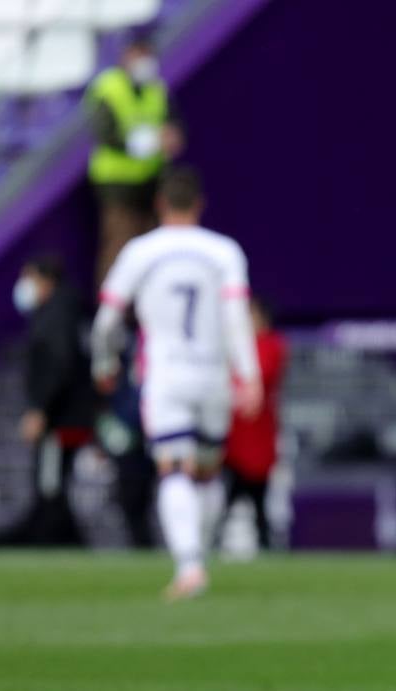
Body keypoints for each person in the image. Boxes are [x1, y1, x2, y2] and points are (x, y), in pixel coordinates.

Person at [91, 166, 261, 600]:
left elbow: (108, 318)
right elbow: (236, 317)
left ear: (160, 204)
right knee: (205, 471)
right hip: (213, 373)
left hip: (166, 373)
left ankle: (189, 565)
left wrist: (104, 362)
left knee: (172, 466)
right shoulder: (223, 251)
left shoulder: (140, 251)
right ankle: (198, 555)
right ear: (199, 204)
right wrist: (250, 375)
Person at [0, 255, 94, 546]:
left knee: (51, 482)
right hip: (64, 415)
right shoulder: (63, 310)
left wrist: (40, 409)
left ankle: (59, 538)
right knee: (51, 480)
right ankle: (57, 535)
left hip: (61, 418)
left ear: (45, 280)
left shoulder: (58, 313)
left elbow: (57, 365)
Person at [84, 33, 184, 284]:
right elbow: (105, 132)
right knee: (120, 245)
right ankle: (111, 313)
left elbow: (173, 124)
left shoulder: (157, 89)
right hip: (116, 184)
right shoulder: (108, 87)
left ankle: (144, 309)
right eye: (139, 55)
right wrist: (147, 143)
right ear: (126, 56)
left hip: (153, 181)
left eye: (147, 55)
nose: (144, 62)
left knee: (153, 248)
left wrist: (173, 137)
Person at [222, 295, 287, 550]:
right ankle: (211, 547)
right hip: (231, 439)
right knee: (225, 501)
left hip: (258, 439)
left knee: (259, 501)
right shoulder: (231, 346)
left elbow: (262, 379)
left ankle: (266, 547)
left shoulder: (271, 345)